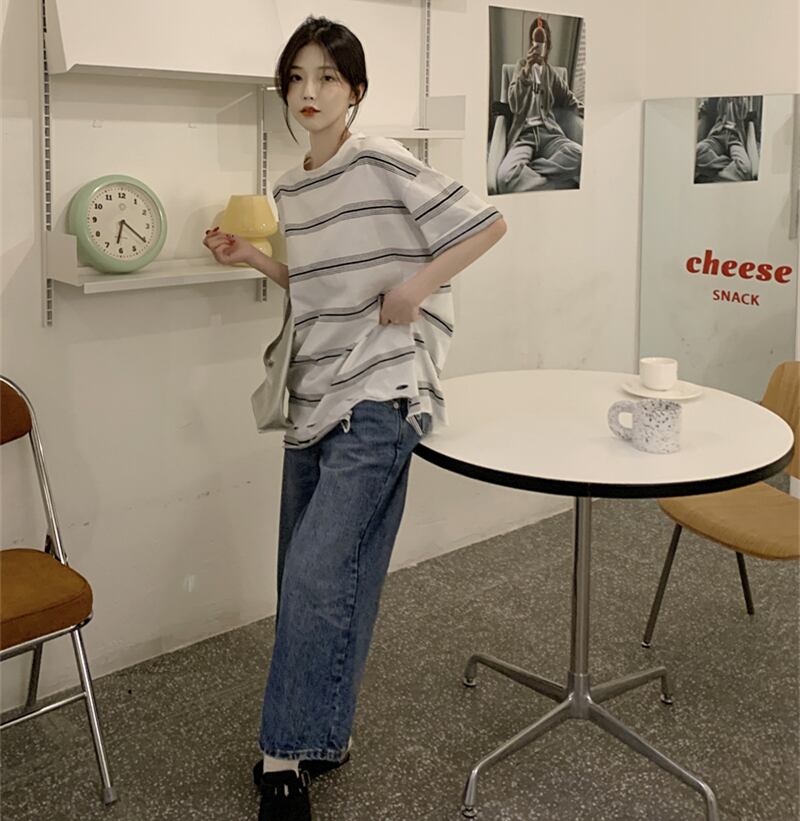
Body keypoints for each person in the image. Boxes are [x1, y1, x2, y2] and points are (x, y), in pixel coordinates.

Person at [203, 16, 506, 821]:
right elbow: (316, 286)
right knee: (326, 574)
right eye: (297, 78)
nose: (309, 92)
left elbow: (486, 224)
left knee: (315, 574)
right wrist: (253, 258)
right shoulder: (292, 189)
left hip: (384, 391)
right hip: (315, 394)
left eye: (327, 77)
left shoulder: (377, 157)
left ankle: (282, 758)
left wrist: (415, 290)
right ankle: (326, 736)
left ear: (355, 90)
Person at [496, 16, 584, 193]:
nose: (537, 47)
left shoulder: (552, 74)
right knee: (505, 178)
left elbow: (570, 99)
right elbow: (514, 105)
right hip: (525, 135)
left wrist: (589, 112)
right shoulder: (521, 67)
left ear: (547, 46)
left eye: (542, 43)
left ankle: (529, 172)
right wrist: (526, 71)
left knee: (582, 156)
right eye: (534, 42)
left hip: (549, 133)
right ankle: (551, 184)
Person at [694, 96, 760, 183]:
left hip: (735, 138)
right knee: (696, 152)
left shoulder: (744, 98)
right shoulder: (716, 97)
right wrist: (724, 98)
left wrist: (738, 99)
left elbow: (742, 115)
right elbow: (718, 112)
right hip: (718, 134)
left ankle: (710, 176)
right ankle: (729, 169)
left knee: (745, 169)